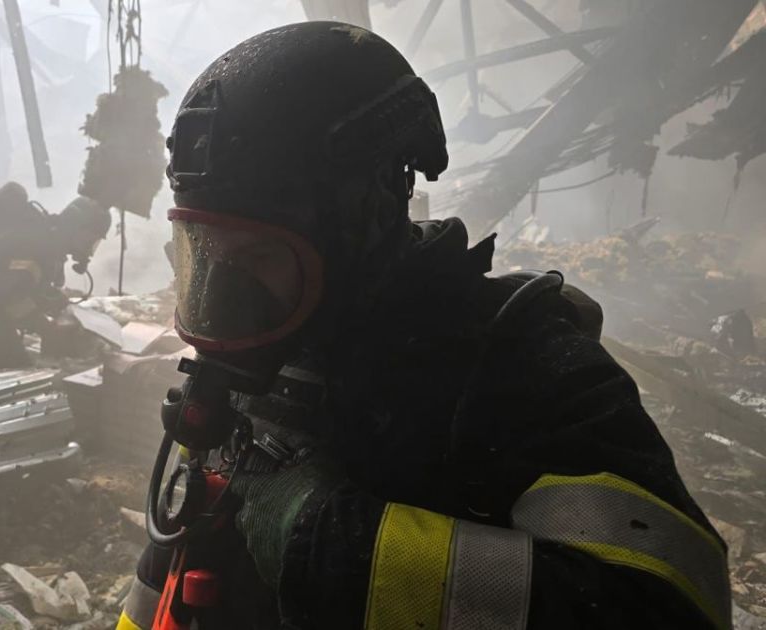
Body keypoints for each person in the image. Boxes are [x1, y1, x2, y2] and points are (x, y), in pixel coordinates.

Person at [120, 22, 730, 630]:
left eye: (258, 256)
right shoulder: (252, 368)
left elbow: (670, 610)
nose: (224, 298)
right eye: (205, 255)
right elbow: (163, 592)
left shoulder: (526, 373)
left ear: (365, 220)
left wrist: (332, 544)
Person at [0, 182, 110, 370]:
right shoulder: (36, 245)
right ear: (75, 226)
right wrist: (45, 327)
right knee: (15, 371)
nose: (89, 248)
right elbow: (9, 300)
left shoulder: (49, 243)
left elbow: (28, 286)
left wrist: (57, 301)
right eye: (89, 239)